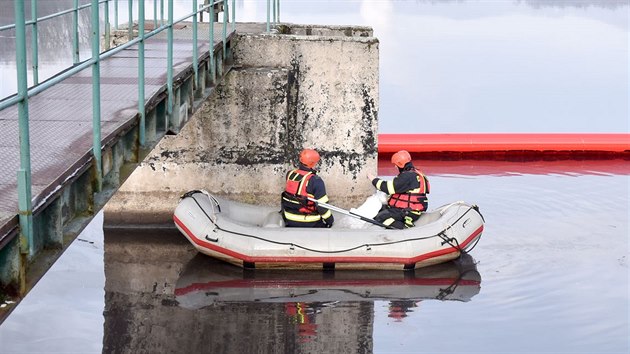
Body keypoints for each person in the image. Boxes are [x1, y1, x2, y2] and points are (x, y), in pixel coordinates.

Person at [367, 150, 429, 229]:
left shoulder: (407, 176)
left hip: (408, 211)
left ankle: (404, 228)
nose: (395, 167)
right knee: (381, 209)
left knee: (380, 217)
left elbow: (388, 188)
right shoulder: (416, 173)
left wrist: (373, 179)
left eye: (396, 165)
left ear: (400, 164)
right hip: (411, 209)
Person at [281, 149, 334, 228]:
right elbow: (322, 207)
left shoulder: (290, 174)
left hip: (288, 218)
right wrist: (330, 221)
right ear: (312, 163)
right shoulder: (316, 181)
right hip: (309, 222)